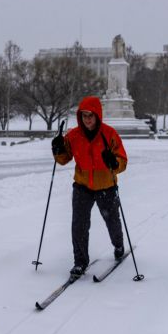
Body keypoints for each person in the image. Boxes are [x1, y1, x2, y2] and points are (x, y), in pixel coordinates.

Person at [51, 96, 128, 277]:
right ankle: (80, 262)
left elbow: (123, 160)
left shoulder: (109, 134)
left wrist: (114, 163)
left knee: (112, 221)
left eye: (90, 115)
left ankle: (118, 244)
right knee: (79, 225)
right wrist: (57, 149)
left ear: (97, 115)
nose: (87, 119)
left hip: (106, 186)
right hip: (82, 186)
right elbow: (63, 159)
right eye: (84, 115)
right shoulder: (73, 136)